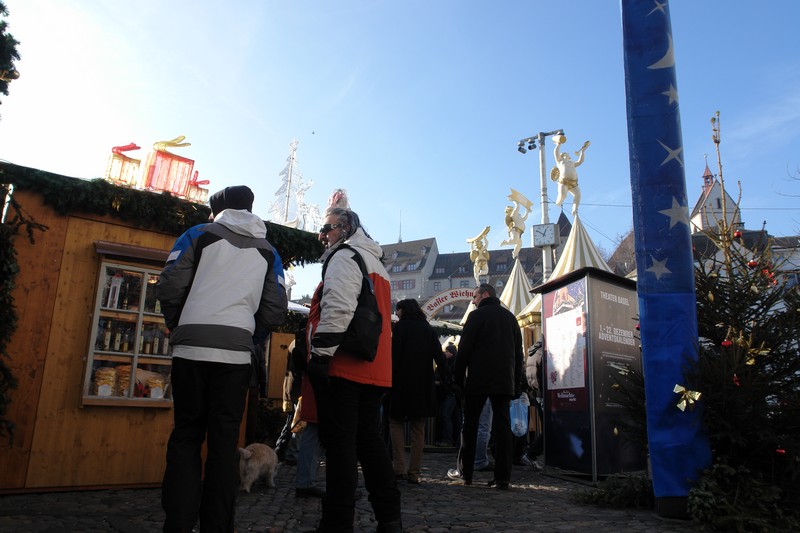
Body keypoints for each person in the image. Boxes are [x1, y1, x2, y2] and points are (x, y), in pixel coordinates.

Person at [157, 185, 288, 533]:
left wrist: (180, 324)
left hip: (191, 349)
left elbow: (169, 285)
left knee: (186, 436)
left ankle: (178, 526)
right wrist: (249, 338)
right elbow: (276, 308)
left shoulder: (198, 234)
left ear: (218, 209)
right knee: (224, 444)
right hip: (235, 356)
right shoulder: (268, 251)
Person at [305, 198, 402, 533]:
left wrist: (321, 355)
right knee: (370, 443)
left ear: (345, 228)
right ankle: (389, 517)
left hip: (347, 365)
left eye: (325, 228)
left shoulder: (345, 257)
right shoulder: (376, 263)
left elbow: (338, 307)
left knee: (341, 447)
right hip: (375, 369)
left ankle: (337, 522)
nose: (321, 236)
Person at [453, 283, 524, 490]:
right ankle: (503, 477)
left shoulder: (476, 317)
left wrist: (458, 380)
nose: (473, 301)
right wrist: (516, 384)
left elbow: (464, 350)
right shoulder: (510, 318)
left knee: (470, 426)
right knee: (502, 429)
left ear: (484, 295)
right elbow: (518, 354)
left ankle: (466, 474)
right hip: (504, 381)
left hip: (479, 379)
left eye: (474, 297)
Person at [388, 299, 445, 484]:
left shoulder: (399, 328)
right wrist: (448, 380)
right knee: (418, 428)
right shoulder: (428, 330)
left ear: (403, 310)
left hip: (400, 383)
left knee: (395, 423)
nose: (396, 313)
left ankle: (399, 468)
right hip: (422, 385)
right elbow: (440, 357)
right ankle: (414, 472)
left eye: (398, 310)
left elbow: (393, 357)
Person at [551, 134, 590, 215]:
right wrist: (558, 144)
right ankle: (558, 202)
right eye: (565, 154)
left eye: (567, 154)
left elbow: (580, 161)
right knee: (563, 195)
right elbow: (556, 152)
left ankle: (574, 209)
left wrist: (582, 152)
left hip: (573, 182)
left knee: (578, 195)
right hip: (563, 181)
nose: (567, 154)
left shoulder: (572, 163)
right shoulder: (560, 161)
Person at [435, 343, 460, 447]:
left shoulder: (451, 365)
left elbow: (449, 379)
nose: (445, 353)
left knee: (445, 415)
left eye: (447, 351)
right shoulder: (450, 363)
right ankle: (452, 439)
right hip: (450, 394)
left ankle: (447, 439)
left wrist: (440, 383)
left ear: (452, 353)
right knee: (451, 417)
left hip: (450, 393)